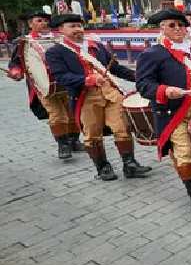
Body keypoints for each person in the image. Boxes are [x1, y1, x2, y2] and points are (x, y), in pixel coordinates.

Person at [135, 9, 191, 214]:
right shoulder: (153, 54)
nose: (178, 29)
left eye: (181, 25)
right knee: (184, 153)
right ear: (162, 28)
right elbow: (143, 84)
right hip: (174, 113)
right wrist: (165, 90)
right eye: (172, 25)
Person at [45, 14, 150, 181]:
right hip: (85, 97)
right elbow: (62, 77)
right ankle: (103, 167)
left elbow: (115, 68)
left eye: (79, 25)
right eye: (72, 26)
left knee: (122, 128)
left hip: (111, 93)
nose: (78, 29)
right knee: (92, 134)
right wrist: (86, 80)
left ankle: (130, 164)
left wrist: (140, 77)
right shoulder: (55, 52)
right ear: (61, 30)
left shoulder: (96, 46)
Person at [7, 11, 82, 159]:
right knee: (57, 114)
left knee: (73, 113)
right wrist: (16, 72)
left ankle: (74, 141)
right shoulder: (25, 42)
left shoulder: (59, 38)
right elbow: (16, 63)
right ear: (30, 24)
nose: (44, 23)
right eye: (39, 21)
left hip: (67, 83)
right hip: (43, 86)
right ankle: (63, 145)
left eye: (46, 21)